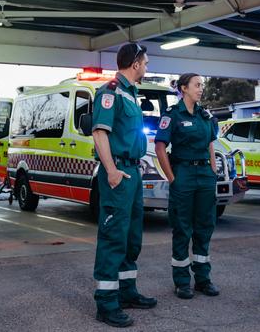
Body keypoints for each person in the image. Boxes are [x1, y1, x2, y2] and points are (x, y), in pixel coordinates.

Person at [92, 43, 157, 328]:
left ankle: (127, 292)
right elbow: (99, 132)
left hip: (132, 171)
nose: (146, 67)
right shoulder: (110, 91)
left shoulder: (131, 93)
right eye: (145, 62)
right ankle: (106, 304)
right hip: (118, 173)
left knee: (132, 236)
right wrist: (112, 170)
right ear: (135, 64)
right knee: (113, 237)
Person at [154, 73, 220, 299]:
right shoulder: (172, 115)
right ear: (183, 88)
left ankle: (203, 279)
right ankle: (182, 281)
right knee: (182, 228)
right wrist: (172, 178)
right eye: (197, 85)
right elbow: (160, 147)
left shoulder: (205, 115)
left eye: (202, 85)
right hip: (183, 174)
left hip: (204, 176)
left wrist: (213, 169)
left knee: (204, 227)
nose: (201, 89)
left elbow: (211, 142)